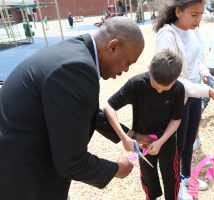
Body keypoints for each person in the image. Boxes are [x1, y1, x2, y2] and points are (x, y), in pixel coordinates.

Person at [0, 17, 148, 200]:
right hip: (22, 176)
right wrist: (117, 169)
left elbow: (85, 111)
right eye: (128, 62)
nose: (125, 70)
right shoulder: (77, 70)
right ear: (113, 46)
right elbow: (71, 162)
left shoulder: (76, 50)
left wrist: (131, 135)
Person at [153, 0, 214, 194]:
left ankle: (185, 177)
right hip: (178, 97)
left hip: (194, 94)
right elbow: (171, 78)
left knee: (189, 139)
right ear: (178, 11)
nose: (199, 19)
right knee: (177, 143)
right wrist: (204, 90)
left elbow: (195, 60)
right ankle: (175, 184)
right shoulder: (167, 35)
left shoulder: (190, 31)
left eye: (201, 13)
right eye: (194, 14)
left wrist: (205, 72)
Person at [103, 50, 185, 200]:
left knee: (171, 175)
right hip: (142, 142)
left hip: (167, 139)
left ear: (177, 77)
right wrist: (124, 137)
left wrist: (160, 142)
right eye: (155, 86)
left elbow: (176, 119)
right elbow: (109, 107)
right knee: (148, 174)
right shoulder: (137, 84)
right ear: (150, 69)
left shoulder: (178, 89)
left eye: (165, 88)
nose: (159, 90)